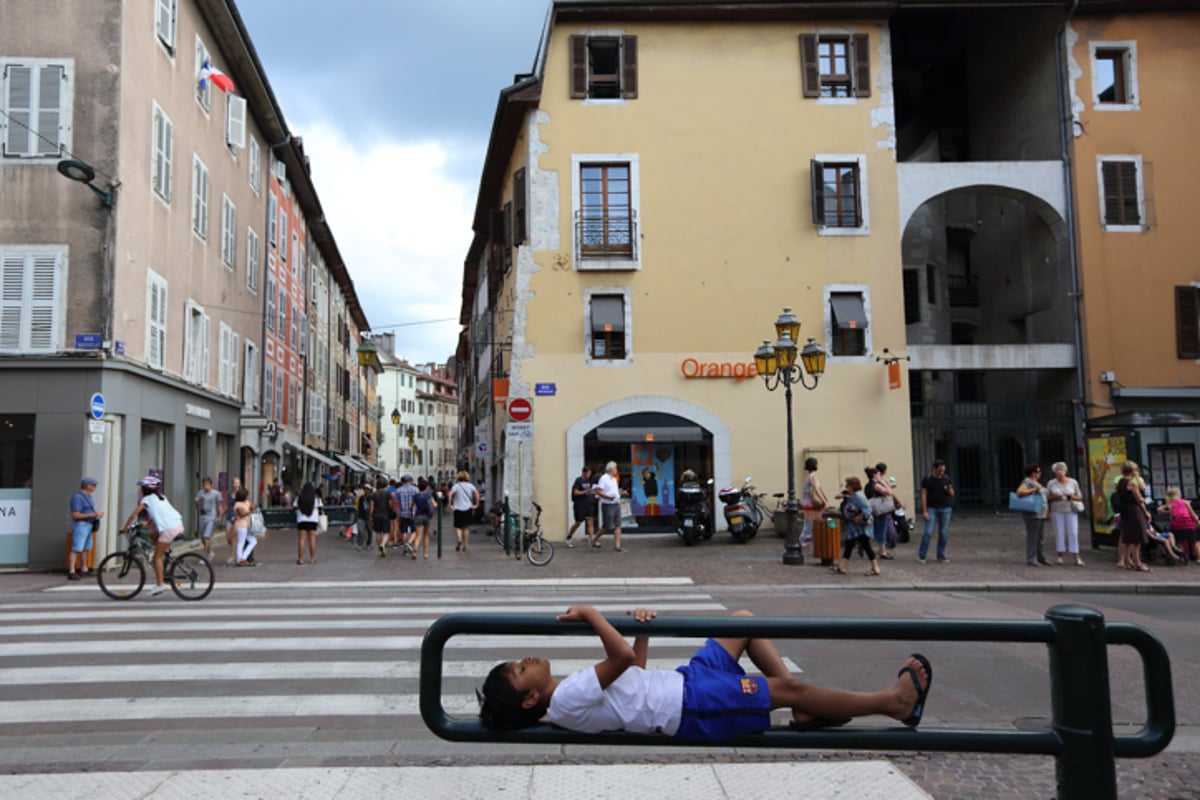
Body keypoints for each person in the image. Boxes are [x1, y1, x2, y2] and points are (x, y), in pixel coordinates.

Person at [477, 605, 932, 739]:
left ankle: (804, 708)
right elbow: (616, 661)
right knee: (788, 687)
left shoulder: (567, 694)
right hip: (692, 705)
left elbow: (631, 671)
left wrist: (641, 631)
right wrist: (593, 614)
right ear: (529, 699)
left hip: (685, 683)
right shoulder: (566, 700)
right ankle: (892, 704)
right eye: (521, 669)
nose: (529, 660)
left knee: (743, 622)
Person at [121, 477, 185, 595]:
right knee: (152, 534)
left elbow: (134, 514)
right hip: (177, 524)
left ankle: (160, 584)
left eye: (141, 488)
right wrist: (148, 523)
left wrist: (124, 528)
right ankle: (165, 553)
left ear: (146, 489)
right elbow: (160, 514)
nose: (139, 490)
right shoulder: (161, 497)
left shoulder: (146, 499)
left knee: (156, 557)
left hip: (168, 529)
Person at [832, 477, 880, 576]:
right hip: (855, 527)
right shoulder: (854, 495)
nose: (847, 487)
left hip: (861, 527)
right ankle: (843, 566)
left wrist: (858, 517)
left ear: (852, 486)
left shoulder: (859, 496)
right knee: (849, 544)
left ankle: (875, 567)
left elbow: (868, 509)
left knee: (866, 546)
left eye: (848, 486)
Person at [1046, 462, 1085, 566]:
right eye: (1057, 470)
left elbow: (1080, 497)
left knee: (1073, 532)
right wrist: (1056, 497)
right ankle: (1060, 556)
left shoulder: (1073, 482)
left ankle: (1076, 557)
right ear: (1054, 472)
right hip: (1057, 510)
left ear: (1066, 471)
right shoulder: (1051, 483)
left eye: (1061, 469)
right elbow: (1047, 498)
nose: (1060, 471)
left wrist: (1071, 496)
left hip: (1071, 510)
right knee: (1059, 532)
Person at [1115, 461, 1151, 572]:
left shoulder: (1120, 482)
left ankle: (1127, 561)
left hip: (1125, 511)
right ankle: (1137, 562)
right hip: (1134, 511)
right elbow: (1139, 499)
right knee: (1137, 538)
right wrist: (1146, 512)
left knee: (1127, 537)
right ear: (1133, 471)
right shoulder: (1132, 483)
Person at [918, 459, 955, 564]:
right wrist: (924, 511)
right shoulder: (928, 479)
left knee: (943, 532)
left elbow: (952, 494)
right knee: (928, 532)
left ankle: (941, 555)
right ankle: (922, 555)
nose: (941, 472)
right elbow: (923, 495)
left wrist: (949, 489)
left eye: (943, 470)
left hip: (945, 508)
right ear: (934, 469)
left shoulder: (947, 479)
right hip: (931, 508)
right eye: (939, 470)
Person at [68, 477, 103, 581]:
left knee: (85, 548)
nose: (95, 487)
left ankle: (84, 569)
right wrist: (93, 514)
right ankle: (71, 571)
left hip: (88, 524)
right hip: (81, 525)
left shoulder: (89, 496)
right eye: (93, 485)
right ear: (87, 485)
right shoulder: (78, 497)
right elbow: (75, 515)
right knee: (76, 548)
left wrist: (94, 515)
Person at [1015, 464, 1050, 568]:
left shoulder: (1035, 482)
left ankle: (1040, 557)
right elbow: (1019, 492)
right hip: (1033, 513)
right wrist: (1033, 490)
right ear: (1033, 473)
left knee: (1039, 537)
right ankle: (1032, 558)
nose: (1039, 474)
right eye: (1038, 472)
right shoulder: (1027, 481)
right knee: (1033, 537)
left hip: (1040, 512)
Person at [591, 461, 626, 552]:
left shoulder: (614, 479)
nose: (617, 470)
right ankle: (594, 540)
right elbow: (599, 491)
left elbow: (614, 492)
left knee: (618, 525)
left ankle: (617, 546)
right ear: (611, 469)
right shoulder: (604, 478)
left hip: (616, 503)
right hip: (608, 504)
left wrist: (621, 493)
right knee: (607, 526)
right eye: (615, 468)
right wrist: (607, 497)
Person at [865, 466, 896, 560]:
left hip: (872, 509)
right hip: (880, 510)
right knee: (881, 529)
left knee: (874, 529)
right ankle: (882, 551)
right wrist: (884, 483)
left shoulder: (867, 485)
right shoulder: (876, 485)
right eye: (878, 474)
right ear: (874, 475)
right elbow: (889, 493)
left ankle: (868, 547)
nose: (880, 476)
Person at [1160, 487, 1200, 562]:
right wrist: (1197, 520)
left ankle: (1182, 558)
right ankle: (1198, 558)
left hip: (1176, 526)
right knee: (1195, 542)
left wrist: (1168, 512)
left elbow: (1159, 509)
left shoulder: (1170, 503)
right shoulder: (1185, 502)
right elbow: (1192, 513)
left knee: (1180, 542)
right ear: (1179, 494)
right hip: (1188, 524)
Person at [449, 471, 481, 553]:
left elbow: (450, 494)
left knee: (458, 526)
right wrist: (476, 504)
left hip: (458, 509)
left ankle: (459, 539)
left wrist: (450, 505)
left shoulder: (456, 486)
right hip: (468, 508)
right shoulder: (470, 485)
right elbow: (477, 494)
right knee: (466, 528)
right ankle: (465, 546)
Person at [566, 466, 596, 548]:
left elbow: (592, 490)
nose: (589, 474)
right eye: (588, 473)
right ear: (584, 472)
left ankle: (592, 540)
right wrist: (585, 491)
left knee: (590, 521)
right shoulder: (578, 481)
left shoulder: (590, 481)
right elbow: (576, 492)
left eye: (590, 473)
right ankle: (569, 536)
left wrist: (593, 492)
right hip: (579, 505)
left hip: (588, 504)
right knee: (578, 523)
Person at [799, 458, 826, 548]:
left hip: (806, 501)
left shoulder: (806, 475)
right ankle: (810, 540)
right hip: (812, 501)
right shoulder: (813, 476)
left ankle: (805, 539)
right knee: (815, 520)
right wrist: (824, 500)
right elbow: (817, 489)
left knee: (807, 521)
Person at [295, 481, 322, 565]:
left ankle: (300, 559)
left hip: (302, 520)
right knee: (312, 539)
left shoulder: (299, 498)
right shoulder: (316, 499)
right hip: (313, 520)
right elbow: (321, 507)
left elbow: (295, 507)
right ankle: (312, 559)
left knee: (302, 539)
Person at [194, 477, 222, 559]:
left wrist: (219, 515)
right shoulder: (200, 493)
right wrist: (200, 501)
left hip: (211, 516)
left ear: (210, 485)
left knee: (207, 537)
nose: (206, 486)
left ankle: (205, 556)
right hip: (202, 516)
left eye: (207, 484)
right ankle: (210, 552)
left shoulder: (216, 494)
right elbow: (196, 506)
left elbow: (219, 505)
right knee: (203, 538)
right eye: (204, 485)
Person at [230, 487, 256, 567]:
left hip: (247, 525)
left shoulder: (246, 502)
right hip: (241, 525)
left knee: (253, 541)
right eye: (246, 495)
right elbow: (242, 514)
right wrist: (250, 511)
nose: (247, 497)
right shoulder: (238, 504)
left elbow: (252, 506)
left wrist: (252, 507)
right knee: (241, 542)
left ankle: (243, 557)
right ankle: (239, 560)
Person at [412, 477, 437, 559]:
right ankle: (425, 553)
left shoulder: (415, 496)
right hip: (427, 516)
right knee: (426, 535)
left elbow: (411, 506)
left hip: (418, 516)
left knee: (418, 535)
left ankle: (415, 550)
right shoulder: (428, 495)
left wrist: (411, 514)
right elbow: (435, 505)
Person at [395, 474, 419, 558]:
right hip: (413, 513)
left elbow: (397, 504)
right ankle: (410, 542)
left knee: (404, 531)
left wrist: (398, 515)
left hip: (403, 513)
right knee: (414, 531)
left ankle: (405, 548)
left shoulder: (398, 490)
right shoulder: (415, 489)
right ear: (410, 480)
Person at [371, 477, 394, 558]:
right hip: (385, 514)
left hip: (376, 515)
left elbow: (372, 507)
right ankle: (383, 544)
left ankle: (379, 548)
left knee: (378, 532)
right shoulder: (388, 494)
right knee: (386, 532)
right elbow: (391, 505)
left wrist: (371, 516)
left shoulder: (373, 494)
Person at [223, 477, 241, 565]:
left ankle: (232, 556)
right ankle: (236, 549)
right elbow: (227, 504)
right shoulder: (229, 493)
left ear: (240, 484)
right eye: (234, 483)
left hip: (237, 517)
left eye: (237, 483)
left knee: (233, 536)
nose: (236, 484)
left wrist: (238, 515)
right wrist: (221, 514)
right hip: (229, 515)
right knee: (228, 537)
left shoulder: (241, 494)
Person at [355, 483, 374, 551]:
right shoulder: (361, 498)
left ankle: (368, 544)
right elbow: (359, 507)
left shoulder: (371, 498)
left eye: (367, 489)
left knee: (369, 531)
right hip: (361, 516)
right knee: (361, 530)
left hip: (369, 516)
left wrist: (371, 516)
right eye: (365, 489)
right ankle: (360, 544)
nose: (366, 490)